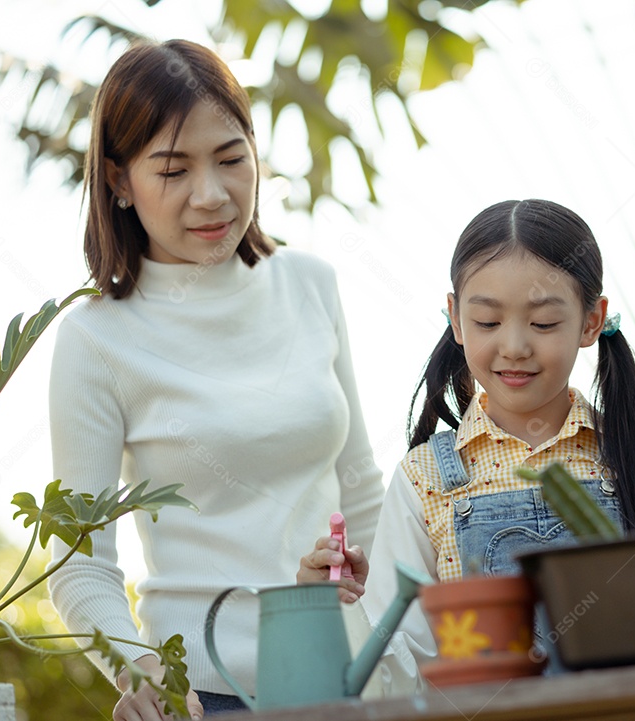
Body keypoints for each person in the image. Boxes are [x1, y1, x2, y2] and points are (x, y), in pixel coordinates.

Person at [301, 198, 635, 721]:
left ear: (591, 321)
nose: (514, 345)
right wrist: (330, 607)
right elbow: (398, 669)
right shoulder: (426, 478)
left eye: (542, 323)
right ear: (456, 319)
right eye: (488, 321)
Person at [47, 39, 383, 720]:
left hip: (348, 680)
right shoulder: (96, 338)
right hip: (207, 695)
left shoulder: (309, 285)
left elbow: (362, 491)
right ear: (118, 180)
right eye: (174, 170)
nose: (211, 195)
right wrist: (142, 673)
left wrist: (398, 643)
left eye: (231, 159)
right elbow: (80, 561)